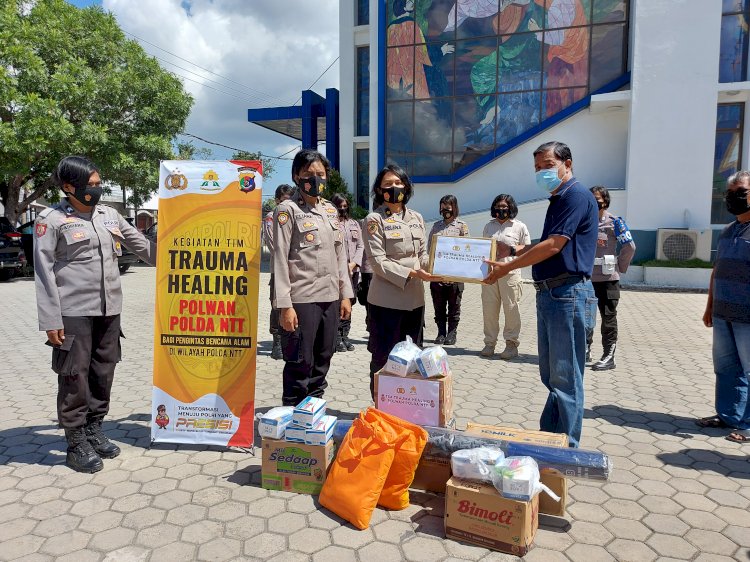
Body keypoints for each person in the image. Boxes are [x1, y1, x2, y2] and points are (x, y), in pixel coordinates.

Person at [34, 156, 156, 473]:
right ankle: (75, 442)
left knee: (103, 371)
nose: (97, 189)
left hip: (109, 308)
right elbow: (44, 272)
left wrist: (181, 241)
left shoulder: (109, 215)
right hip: (72, 312)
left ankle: (94, 428)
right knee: (74, 375)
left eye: (98, 183)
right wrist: (50, 320)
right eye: (90, 185)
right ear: (68, 187)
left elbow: (145, 248)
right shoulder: (52, 219)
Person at [483, 141, 597, 447]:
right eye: (537, 168)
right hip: (552, 295)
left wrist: (508, 267)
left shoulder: (575, 195)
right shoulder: (558, 199)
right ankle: (550, 439)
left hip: (568, 294)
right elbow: (543, 243)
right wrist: (515, 252)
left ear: (566, 163)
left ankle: (565, 449)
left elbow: (553, 246)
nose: (541, 172)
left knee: (566, 377)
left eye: (547, 165)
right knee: (552, 376)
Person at [273, 149, 353, 406]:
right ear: (297, 176)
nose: (315, 179)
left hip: (330, 297)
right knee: (300, 362)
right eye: (309, 174)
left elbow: (340, 255)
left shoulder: (330, 210)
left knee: (323, 358)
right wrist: (285, 305)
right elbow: (280, 259)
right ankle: (293, 417)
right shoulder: (287, 211)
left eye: (320, 174)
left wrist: (346, 295)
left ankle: (314, 410)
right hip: (302, 300)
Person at [363, 164, 442, 398]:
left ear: (406, 187)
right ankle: (381, 407)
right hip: (386, 303)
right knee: (384, 359)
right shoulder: (374, 220)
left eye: (399, 183)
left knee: (412, 358)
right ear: (379, 189)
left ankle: (407, 406)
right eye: (388, 184)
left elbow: (422, 256)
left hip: (415, 302)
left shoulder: (417, 217)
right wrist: (415, 272)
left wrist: (439, 267)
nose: (394, 188)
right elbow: (378, 262)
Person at [699, 170, 750, 444]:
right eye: (729, 194)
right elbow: (716, 272)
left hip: (747, 317)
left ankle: (748, 424)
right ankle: (729, 415)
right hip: (723, 314)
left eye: (740, 192)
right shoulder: (729, 230)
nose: (733, 198)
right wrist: (709, 308)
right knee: (726, 368)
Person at [586, 186, 636, 371]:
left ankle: (608, 356)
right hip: (586, 279)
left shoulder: (615, 223)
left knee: (608, 318)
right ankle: (585, 349)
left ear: (605, 201)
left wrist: (620, 267)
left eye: (597, 199)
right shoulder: (583, 222)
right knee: (584, 317)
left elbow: (630, 247)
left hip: (608, 279)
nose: (594, 202)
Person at [481, 194, 531, 359]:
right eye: (498, 206)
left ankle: (511, 344)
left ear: (511, 208)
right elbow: (482, 248)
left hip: (510, 274)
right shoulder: (489, 227)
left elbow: (528, 248)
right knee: (489, 310)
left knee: (511, 309)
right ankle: (489, 343)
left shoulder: (520, 227)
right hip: (490, 274)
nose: (501, 209)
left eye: (505, 207)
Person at [427, 195, 469, 345]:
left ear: (454, 207)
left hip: (455, 274)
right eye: (443, 206)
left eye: (448, 206)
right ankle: (441, 333)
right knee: (438, 305)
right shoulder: (436, 226)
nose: (445, 209)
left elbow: (467, 250)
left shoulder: (461, 226)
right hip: (438, 274)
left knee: (454, 305)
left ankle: (452, 333)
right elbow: (429, 249)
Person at [263, 184, 294, 360]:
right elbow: (274, 244)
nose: (287, 204)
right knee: (277, 306)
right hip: (279, 269)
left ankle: (290, 340)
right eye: (284, 200)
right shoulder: (270, 217)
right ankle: (277, 341)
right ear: (277, 201)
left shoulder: (297, 214)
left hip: (297, 271)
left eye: (290, 199)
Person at [331, 193, 364, 352]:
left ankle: (345, 336)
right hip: (337, 272)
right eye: (339, 206)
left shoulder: (354, 224)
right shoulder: (331, 224)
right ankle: (336, 338)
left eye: (345, 206)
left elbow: (361, 246)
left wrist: (353, 264)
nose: (343, 209)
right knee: (338, 304)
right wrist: (343, 267)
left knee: (349, 303)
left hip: (353, 270)